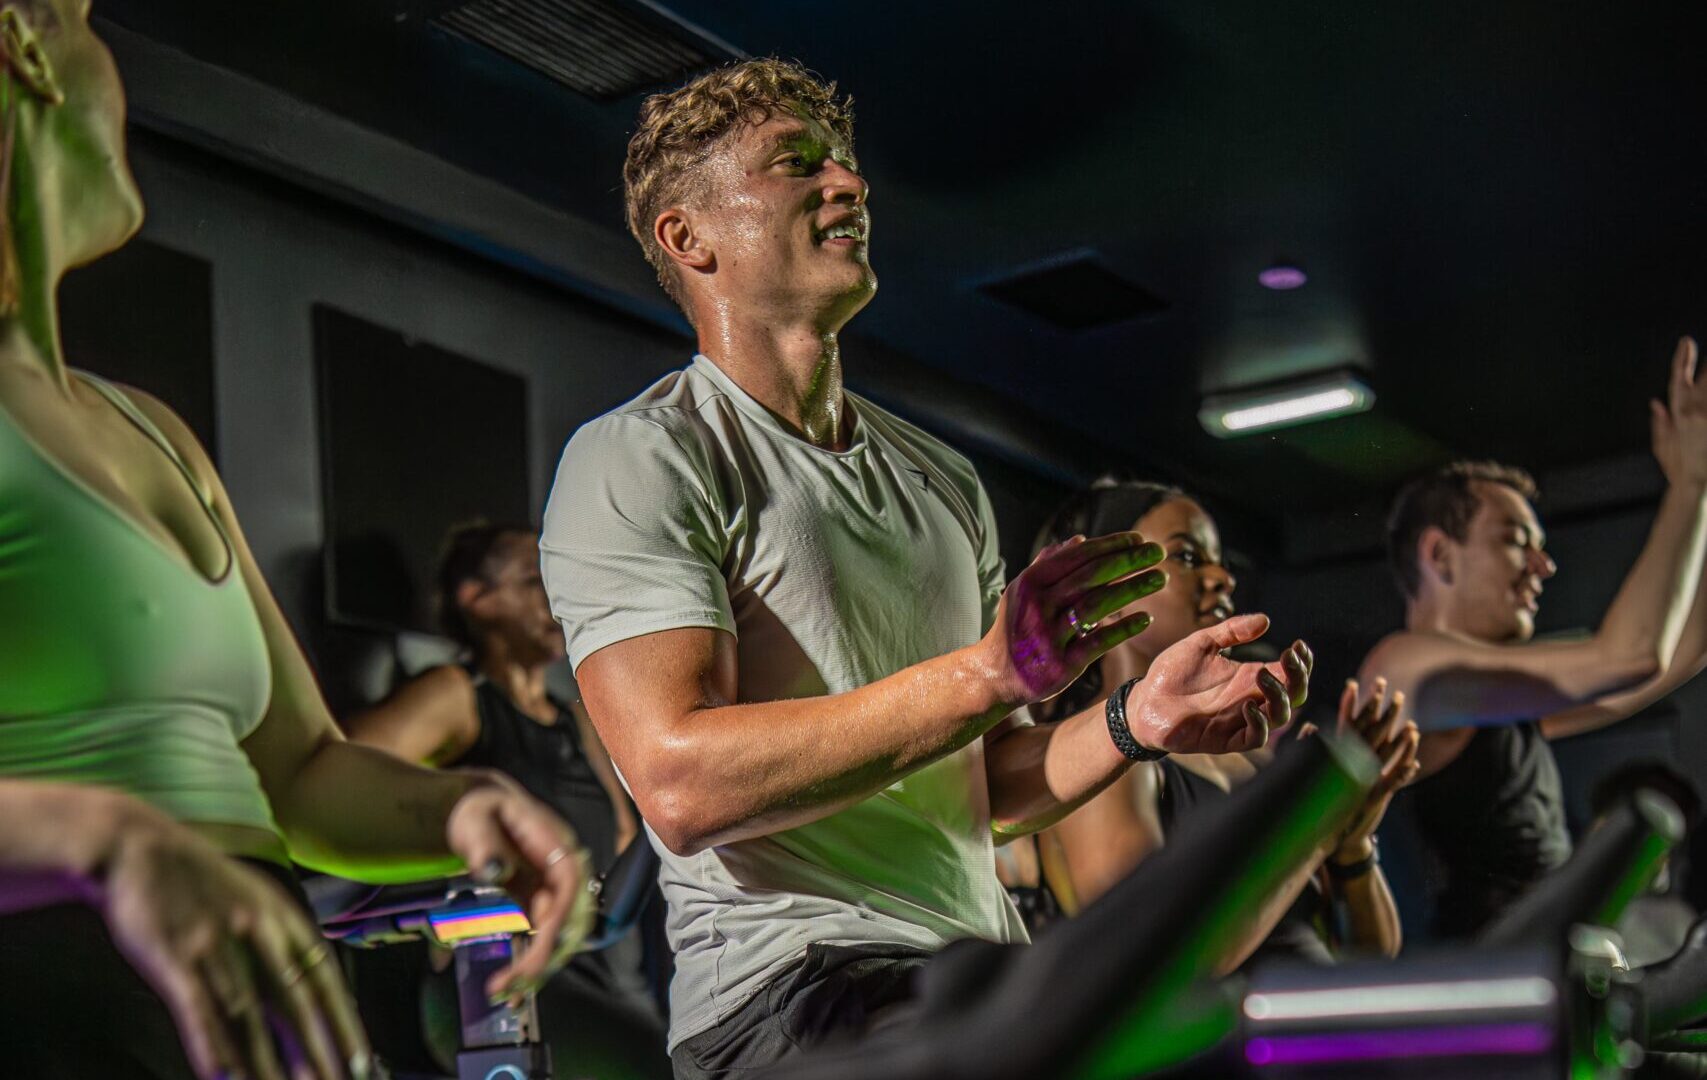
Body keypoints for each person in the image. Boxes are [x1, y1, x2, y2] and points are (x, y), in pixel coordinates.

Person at [544, 58, 1314, 1079]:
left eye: (845, 164)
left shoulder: (941, 480)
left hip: (968, 970)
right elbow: (680, 785)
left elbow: (981, 784)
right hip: (795, 991)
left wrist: (1136, 721)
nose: (849, 185)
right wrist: (986, 674)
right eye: (798, 165)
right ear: (689, 238)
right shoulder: (644, 455)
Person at [0, 5, 590, 1076]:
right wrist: (105, 841)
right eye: (88, 22)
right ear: (26, 47)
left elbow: (304, 775)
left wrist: (465, 805)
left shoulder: (152, 430)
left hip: (258, 1004)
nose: (111, 65)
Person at [1360, 337, 1707, 937]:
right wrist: (1688, 485)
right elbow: (1631, 655)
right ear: (1440, 555)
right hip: (1473, 980)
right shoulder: (1406, 668)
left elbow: (1679, 651)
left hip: (1534, 964)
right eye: (1517, 541)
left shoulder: (1495, 701)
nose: (1544, 567)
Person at [1032, 481, 1416, 966]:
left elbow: (1373, 958)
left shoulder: (1251, 758)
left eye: (1219, 562)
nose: (1222, 578)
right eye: (1187, 558)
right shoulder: (1101, 765)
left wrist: (1351, 843)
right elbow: (1152, 961)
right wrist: (1314, 831)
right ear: (1104, 592)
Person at [346, 523, 667, 1078]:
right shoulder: (457, 692)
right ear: (478, 599)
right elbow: (348, 775)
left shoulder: (573, 720)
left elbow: (619, 837)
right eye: (533, 582)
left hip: (605, 971)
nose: (554, 597)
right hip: (499, 976)